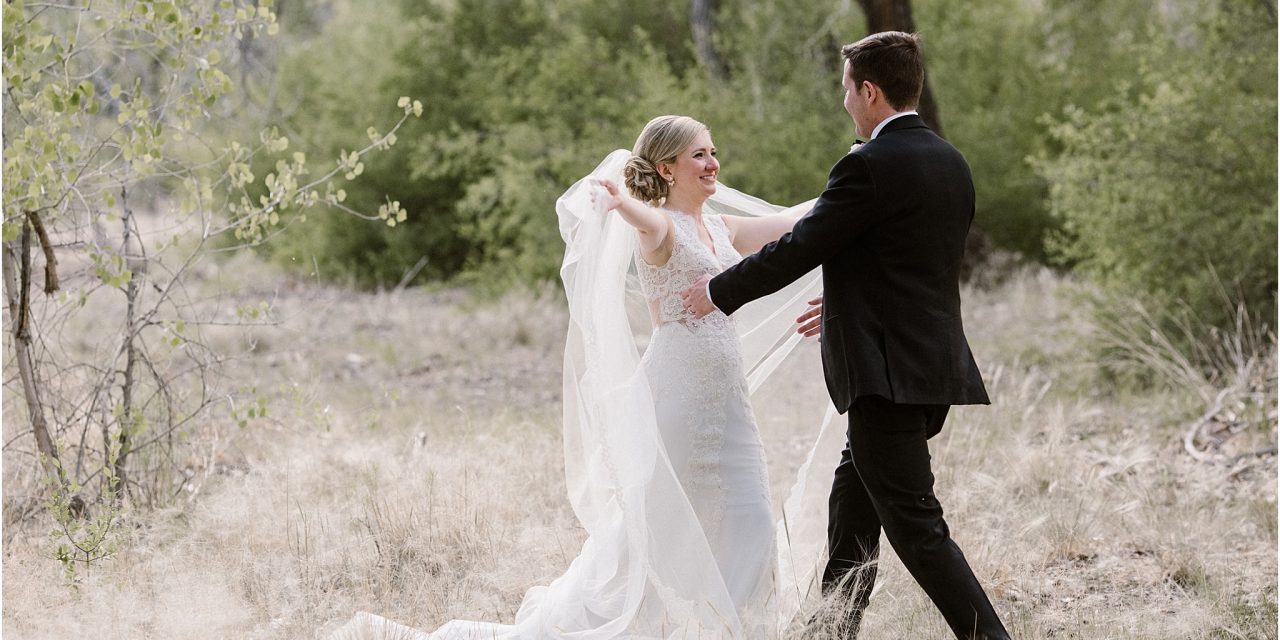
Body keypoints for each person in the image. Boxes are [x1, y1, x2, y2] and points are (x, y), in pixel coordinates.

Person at [327, 116, 835, 640]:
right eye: (700, 156)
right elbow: (644, 219)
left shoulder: (723, 229)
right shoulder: (660, 228)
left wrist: (852, 178)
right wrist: (618, 201)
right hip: (679, 397)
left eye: (712, 151)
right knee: (667, 525)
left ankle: (739, 629)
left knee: (750, 517)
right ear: (667, 168)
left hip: (728, 401)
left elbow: (796, 222)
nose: (713, 164)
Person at [682, 31, 1011, 640]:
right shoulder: (950, 160)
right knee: (852, 500)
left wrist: (715, 293)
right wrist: (846, 295)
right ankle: (829, 630)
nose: (844, 104)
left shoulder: (867, 165)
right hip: (930, 368)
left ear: (869, 90)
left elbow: (801, 247)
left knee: (917, 527)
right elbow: (915, 259)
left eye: (846, 91)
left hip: (885, 376)